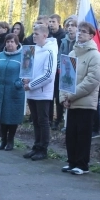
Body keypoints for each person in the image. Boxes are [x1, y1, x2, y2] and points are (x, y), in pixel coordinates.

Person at [59, 21, 100, 175]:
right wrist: (62, 97)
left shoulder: (95, 55)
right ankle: (72, 162)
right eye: (79, 31)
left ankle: (82, 165)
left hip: (85, 103)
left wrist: (71, 96)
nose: (80, 33)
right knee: (71, 134)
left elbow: (91, 81)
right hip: (70, 102)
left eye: (84, 31)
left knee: (83, 135)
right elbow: (65, 79)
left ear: (92, 35)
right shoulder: (72, 54)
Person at [22, 25, 58, 160]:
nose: (33, 36)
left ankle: (43, 149)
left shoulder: (50, 51)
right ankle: (36, 146)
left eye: (36, 33)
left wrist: (31, 85)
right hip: (31, 91)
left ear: (44, 35)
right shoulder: (31, 50)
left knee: (43, 121)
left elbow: (48, 75)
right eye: (33, 33)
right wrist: (24, 81)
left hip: (42, 92)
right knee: (35, 121)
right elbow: (25, 69)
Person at [0, 33, 24, 151]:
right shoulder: (0, 55)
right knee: (1, 116)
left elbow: (27, 73)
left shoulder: (22, 56)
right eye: (7, 42)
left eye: (12, 42)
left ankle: (10, 140)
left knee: (12, 116)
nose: (9, 44)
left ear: (17, 43)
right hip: (0, 90)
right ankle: (3, 140)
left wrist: (19, 83)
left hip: (14, 91)